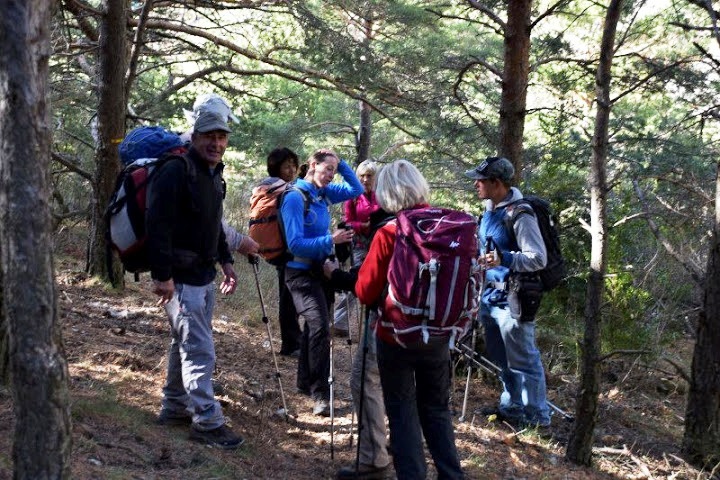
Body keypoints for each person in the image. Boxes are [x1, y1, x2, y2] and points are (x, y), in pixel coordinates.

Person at [355, 160, 464, 480]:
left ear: (387, 192)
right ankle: (451, 475)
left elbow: (365, 291)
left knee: (402, 410)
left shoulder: (391, 231)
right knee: (437, 409)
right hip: (439, 333)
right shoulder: (448, 227)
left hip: (396, 335)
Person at [147, 110, 244, 449]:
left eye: (221, 137)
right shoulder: (176, 170)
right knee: (199, 349)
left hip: (203, 275)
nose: (216, 143)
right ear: (196, 137)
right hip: (180, 278)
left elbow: (213, 224)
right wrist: (162, 276)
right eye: (209, 137)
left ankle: (175, 407)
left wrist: (226, 261)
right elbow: (156, 225)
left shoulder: (213, 173)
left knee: (184, 344)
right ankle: (207, 422)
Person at [464, 156, 551, 428]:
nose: (476, 184)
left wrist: (506, 259)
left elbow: (538, 258)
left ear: (496, 183)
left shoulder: (521, 214)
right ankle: (512, 406)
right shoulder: (489, 210)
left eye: (480, 180)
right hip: (490, 297)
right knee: (502, 358)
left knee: (524, 359)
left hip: (514, 298)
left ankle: (537, 419)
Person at [280, 149, 363, 416]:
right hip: (299, 273)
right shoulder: (295, 197)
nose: (331, 175)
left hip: (321, 271)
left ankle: (304, 382)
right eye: (327, 169)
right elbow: (294, 244)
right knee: (319, 327)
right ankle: (320, 394)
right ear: (313, 165)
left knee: (314, 328)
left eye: (334, 171)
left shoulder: (322, 193)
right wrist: (331, 240)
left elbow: (357, 188)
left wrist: (340, 161)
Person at [332, 160, 381, 337]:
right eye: (362, 176)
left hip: (379, 243)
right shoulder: (353, 197)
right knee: (356, 280)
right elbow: (348, 222)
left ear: (375, 177)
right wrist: (363, 226)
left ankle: (376, 326)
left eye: (369, 176)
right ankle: (339, 321)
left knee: (379, 282)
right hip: (359, 244)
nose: (365, 179)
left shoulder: (382, 195)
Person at [265, 147, 302, 356]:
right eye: (287, 166)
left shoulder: (274, 188)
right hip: (287, 250)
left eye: (293, 166)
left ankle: (293, 341)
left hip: (281, 250)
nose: (292, 170)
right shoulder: (284, 191)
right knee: (288, 298)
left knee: (289, 296)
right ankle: (291, 344)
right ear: (275, 168)